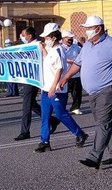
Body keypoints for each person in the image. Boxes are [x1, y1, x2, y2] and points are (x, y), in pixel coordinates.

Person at [59, 16, 112, 168]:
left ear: (98, 28)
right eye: (85, 28)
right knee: (107, 121)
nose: (86, 31)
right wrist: (66, 77)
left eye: (89, 28)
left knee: (103, 123)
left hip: (109, 88)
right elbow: (78, 64)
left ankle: (94, 157)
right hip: (93, 91)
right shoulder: (87, 45)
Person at [34, 23, 89, 153]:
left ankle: (80, 133)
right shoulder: (52, 50)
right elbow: (49, 60)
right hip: (46, 88)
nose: (45, 40)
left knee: (61, 114)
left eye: (47, 37)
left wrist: (54, 87)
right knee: (45, 116)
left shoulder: (59, 51)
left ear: (53, 37)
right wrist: (43, 49)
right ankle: (44, 141)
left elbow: (60, 69)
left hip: (57, 89)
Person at [14, 26, 60, 141]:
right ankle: (52, 120)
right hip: (28, 77)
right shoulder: (26, 46)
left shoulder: (38, 46)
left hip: (34, 78)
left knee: (26, 104)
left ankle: (25, 131)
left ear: (29, 36)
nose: (21, 37)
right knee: (31, 103)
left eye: (23, 35)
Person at [60, 30, 83, 114]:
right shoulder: (60, 47)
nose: (70, 40)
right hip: (64, 73)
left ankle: (75, 107)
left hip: (75, 73)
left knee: (76, 91)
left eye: (71, 38)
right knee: (64, 92)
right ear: (63, 38)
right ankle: (62, 108)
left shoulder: (76, 47)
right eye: (68, 38)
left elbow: (82, 54)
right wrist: (69, 60)